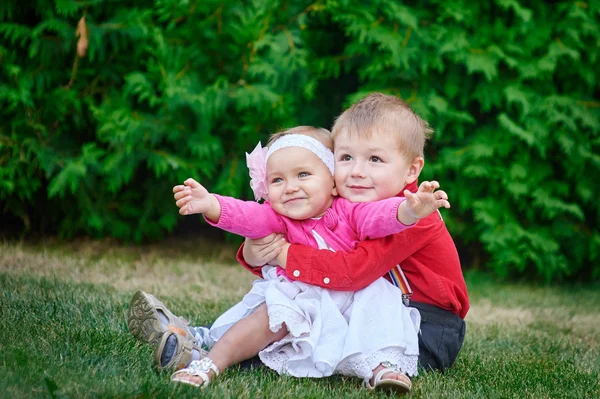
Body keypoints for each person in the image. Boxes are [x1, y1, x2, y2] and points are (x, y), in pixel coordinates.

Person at [134, 125, 450, 393]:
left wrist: (411, 210)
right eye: (277, 180)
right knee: (271, 314)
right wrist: (211, 204)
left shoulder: (350, 209)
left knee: (379, 304)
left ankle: (382, 367)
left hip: (356, 294)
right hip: (303, 294)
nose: (291, 188)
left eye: (302, 175)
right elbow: (248, 216)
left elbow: (380, 217)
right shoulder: (279, 217)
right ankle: (209, 361)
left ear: (333, 183)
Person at [239, 93, 469, 373]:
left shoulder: (411, 214)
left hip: (426, 326)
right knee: (293, 303)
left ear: (412, 169)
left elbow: (352, 273)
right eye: (346, 157)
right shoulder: (346, 205)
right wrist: (255, 255)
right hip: (370, 311)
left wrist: (285, 255)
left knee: (314, 334)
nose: (357, 171)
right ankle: (222, 341)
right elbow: (303, 239)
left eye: (375, 159)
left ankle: (243, 356)